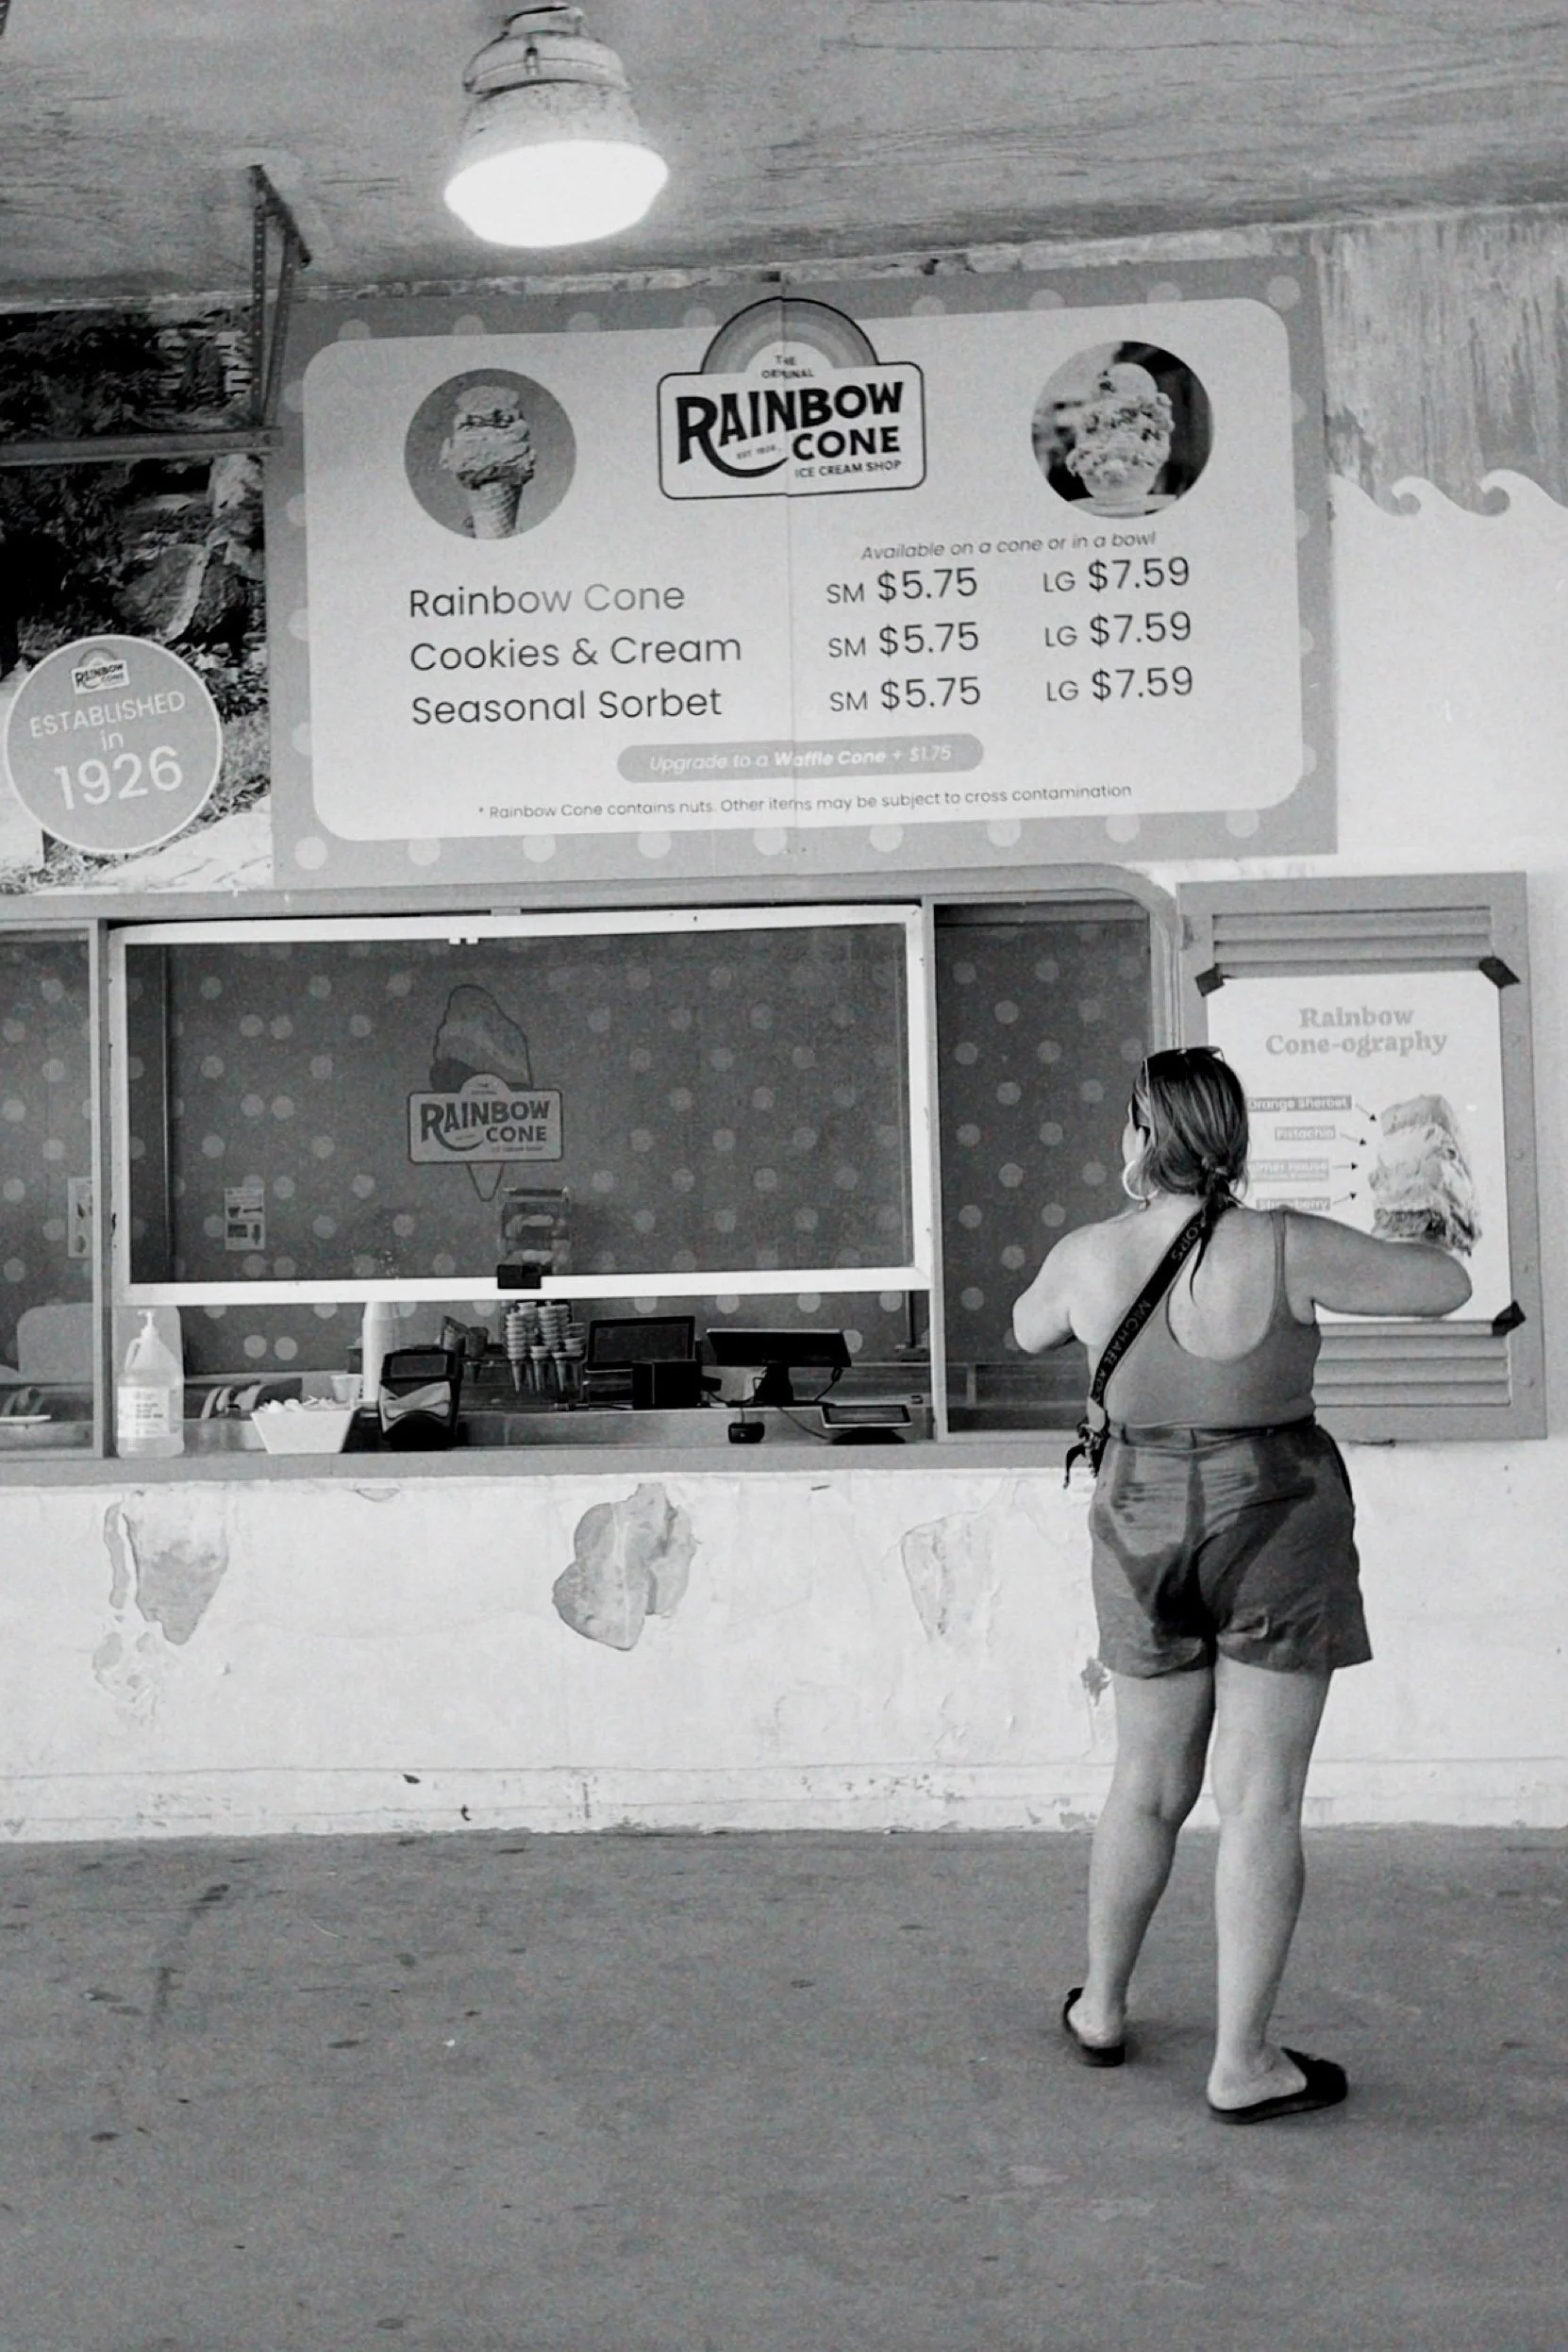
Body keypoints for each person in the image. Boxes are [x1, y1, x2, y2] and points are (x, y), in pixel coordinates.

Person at [1011, 1047, 1472, 2121]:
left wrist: (1110, 1260)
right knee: (1259, 1798)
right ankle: (1242, 2063)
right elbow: (1444, 1286)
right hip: (1277, 1518)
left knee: (1148, 1780)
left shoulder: (1089, 1255)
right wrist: (1428, 1202)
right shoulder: (1288, 1246)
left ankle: (1103, 2010)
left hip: (1137, 1521)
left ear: (1141, 1133)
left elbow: (1030, 1327)